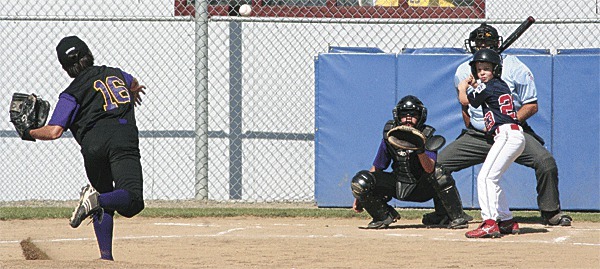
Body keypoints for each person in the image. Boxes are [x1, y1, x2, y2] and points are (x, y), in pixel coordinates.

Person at [434, 23, 572, 228]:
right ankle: (449, 213)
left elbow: (531, 105)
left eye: (487, 42)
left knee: (545, 162)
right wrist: (472, 127)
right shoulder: (464, 69)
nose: (482, 45)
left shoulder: (515, 67)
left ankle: (551, 212)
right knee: (437, 166)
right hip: (478, 135)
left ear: (496, 44)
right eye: (479, 42)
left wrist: (507, 121)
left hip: (510, 131)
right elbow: (465, 106)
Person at [26, 36, 147, 261]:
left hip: (93, 145)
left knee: (103, 192)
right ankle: (96, 201)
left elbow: (54, 131)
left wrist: (29, 132)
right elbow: (131, 81)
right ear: (89, 54)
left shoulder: (72, 92)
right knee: (131, 201)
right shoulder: (117, 73)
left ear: (65, 67)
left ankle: (106, 258)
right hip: (122, 139)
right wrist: (134, 90)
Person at [351, 95, 471, 229]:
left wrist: (420, 150)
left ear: (421, 116)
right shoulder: (390, 134)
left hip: (422, 188)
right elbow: (377, 167)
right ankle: (383, 216)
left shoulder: (427, 134)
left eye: (413, 115)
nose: (408, 119)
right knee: (361, 180)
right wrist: (361, 194)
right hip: (397, 183)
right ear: (397, 116)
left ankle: (455, 217)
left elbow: (430, 169)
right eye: (404, 114)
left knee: (440, 172)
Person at [458, 49, 525, 238]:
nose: (482, 72)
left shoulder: (488, 86)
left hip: (506, 135)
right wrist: (477, 84)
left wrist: (463, 86)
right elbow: (484, 93)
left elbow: (465, 100)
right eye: (479, 69)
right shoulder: (499, 85)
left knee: (485, 178)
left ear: (496, 70)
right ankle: (506, 220)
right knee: (493, 179)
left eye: (487, 69)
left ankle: (489, 223)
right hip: (511, 135)